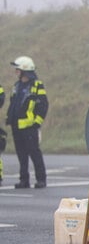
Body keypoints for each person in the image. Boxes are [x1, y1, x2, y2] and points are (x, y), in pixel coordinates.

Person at [6, 56, 47, 189]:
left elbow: (43, 105)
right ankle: (24, 180)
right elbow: (14, 104)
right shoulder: (17, 86)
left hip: (30, 127)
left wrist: (37, 122)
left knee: (34, 152)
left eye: (18, 69)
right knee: (21, 155)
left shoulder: (37, 85)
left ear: (24, 70)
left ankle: (41, 179)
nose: (16, 72)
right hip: (17, 126)